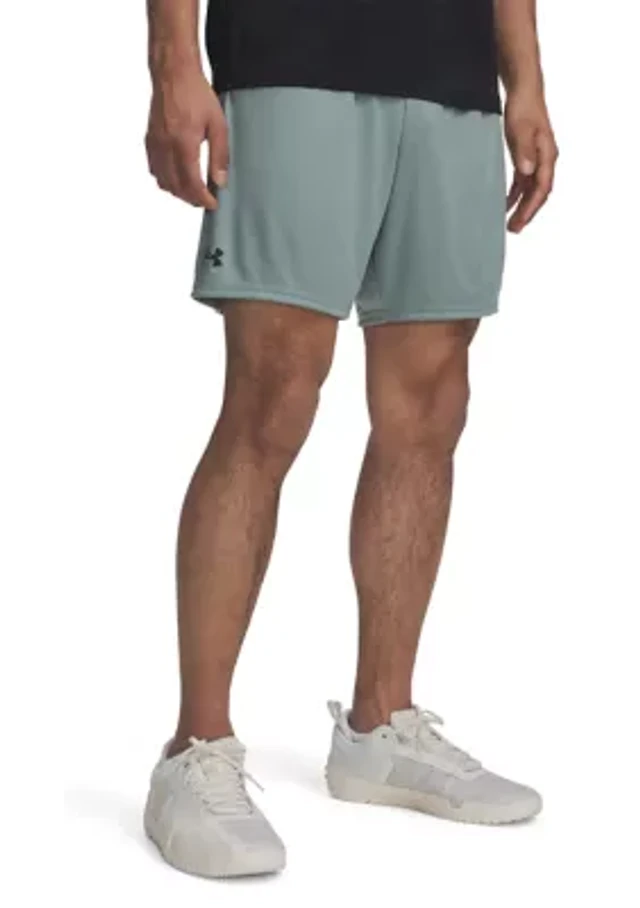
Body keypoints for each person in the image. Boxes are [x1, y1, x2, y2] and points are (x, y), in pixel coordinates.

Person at [143, 0, 558, 878]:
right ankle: (196, 748)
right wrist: (174, 64)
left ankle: (381, 725)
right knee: (271, 398)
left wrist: (525, 81)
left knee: (432, 405)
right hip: (293, 56)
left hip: (452, 78)